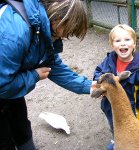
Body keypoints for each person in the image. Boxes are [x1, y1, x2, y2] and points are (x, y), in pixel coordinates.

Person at [0, 0, 95, 149]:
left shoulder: (43, 30)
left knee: (22, 127)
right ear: (59, 18)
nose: (67, 35)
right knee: (3, 140)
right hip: (4, 84)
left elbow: (53, 65)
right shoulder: (15, 33)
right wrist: (34, 75)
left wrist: (89, 87)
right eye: (69, 29)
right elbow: (2, 85)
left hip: (10, 83)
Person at [93, 24, 139, 150]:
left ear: (134, 43)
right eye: (118, 41)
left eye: (127, 40)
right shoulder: (109, 60)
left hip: (131, 112)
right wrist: (100, 84)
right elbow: (98, 72)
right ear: (113, 45)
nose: (123, 44)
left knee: (132, 133)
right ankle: (116, 138)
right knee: (113, 125)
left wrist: (138, 106)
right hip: (109, 106)